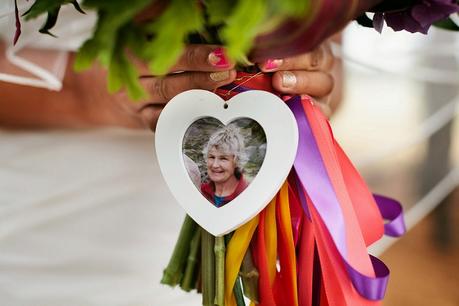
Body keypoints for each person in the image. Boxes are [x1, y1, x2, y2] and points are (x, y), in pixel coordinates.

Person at [0, 4, 340, 306]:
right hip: (41, 236)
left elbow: (335, 75)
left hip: (233, 220)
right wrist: (89, 94)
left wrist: (307, 82)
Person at [201, 125, 248, 207]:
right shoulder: (201, 192)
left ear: (236, 161)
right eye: (211, 157)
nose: (215, 165)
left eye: (223, 158)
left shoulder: (247, 193)